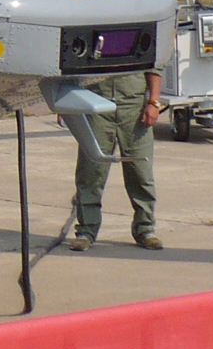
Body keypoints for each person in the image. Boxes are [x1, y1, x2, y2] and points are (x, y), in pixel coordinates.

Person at [67, 68, 164, 250]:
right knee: (91, 171)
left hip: (134, 108)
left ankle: (145, 229)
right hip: (96, 106)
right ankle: (86, 231)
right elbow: (74, 69)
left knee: (141, 172)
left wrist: (153, 103)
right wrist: (67, 106)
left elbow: (154, 69)